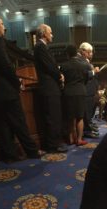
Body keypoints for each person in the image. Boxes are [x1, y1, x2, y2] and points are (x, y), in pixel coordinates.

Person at [0, 15, 41, 162]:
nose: (4, 27)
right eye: (2, 24)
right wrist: (17, 82)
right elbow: (6, 66)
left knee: (4, 125)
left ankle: (10, 156)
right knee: (19, 122)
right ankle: (32, 152)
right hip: (7, 90)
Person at [33, 24, 67, 153]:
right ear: (44, 34)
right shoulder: (40, 47)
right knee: (52, 117)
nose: (52, 35)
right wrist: (60, 76)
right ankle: (52, 145)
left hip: (51, 87)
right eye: (50, 32)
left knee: (54, 116)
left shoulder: (42, 47)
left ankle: (54, 143)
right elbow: (50, 67)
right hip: (48, 87)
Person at [60, 45, 91, 146]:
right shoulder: (84, 65)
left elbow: (62, 80)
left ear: (67, 54)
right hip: (81, 91)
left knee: (70, 117)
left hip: (68, 92)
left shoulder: (64, 66)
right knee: (80, 117)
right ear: (76, 52)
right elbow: (87, 78)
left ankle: (71, 139)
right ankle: (79, 139)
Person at [77, 42, 100, 139]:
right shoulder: (80, 61)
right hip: (86, 91)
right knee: (86, 113)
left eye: (91, 52)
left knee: (89, 112)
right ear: (83, 51)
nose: (91, 54)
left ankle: (88, 128)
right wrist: (94, 72)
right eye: (89, 52)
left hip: (90, 91)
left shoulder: (85, 61)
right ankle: (87, 131)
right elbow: (85, 75)